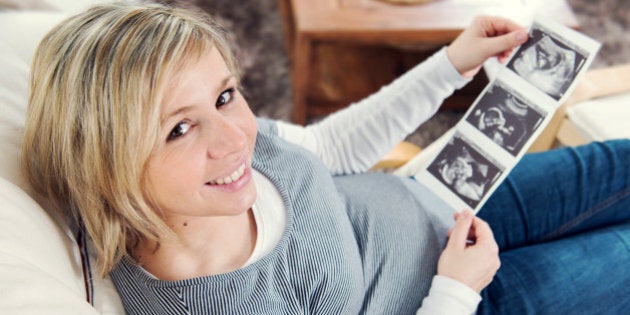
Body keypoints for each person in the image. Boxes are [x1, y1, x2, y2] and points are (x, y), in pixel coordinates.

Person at [21, 3, 630, 314]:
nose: (236, 138)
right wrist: (456, 289)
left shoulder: (215, 164)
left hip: (441, 194)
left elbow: (327, 149)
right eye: (179, 129)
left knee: (617, 164)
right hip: (471, 295)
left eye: (226, 95)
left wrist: (453, 63)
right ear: (105, 162)